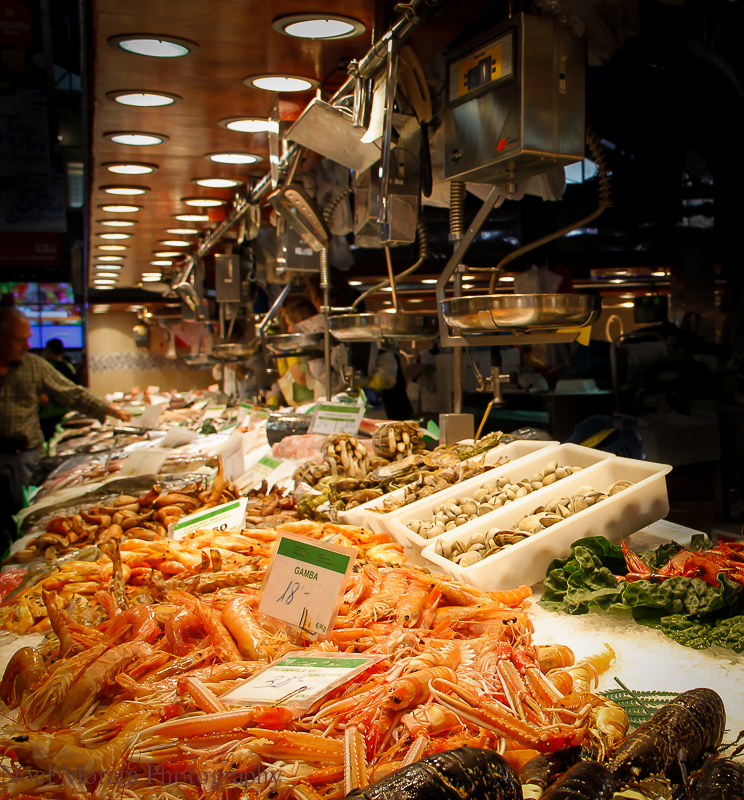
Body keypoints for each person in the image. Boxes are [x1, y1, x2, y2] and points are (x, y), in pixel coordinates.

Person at [0, 308, 131, 553]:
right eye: (20, 339)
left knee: (25, 518)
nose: (27, 345)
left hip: (23, 457)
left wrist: (111, 410)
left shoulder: (34, 366)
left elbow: (71, 393)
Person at [39, 338, 79, 441]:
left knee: (50, 443)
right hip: (66, 412)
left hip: (47, 415)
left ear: (48, 350)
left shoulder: (44, 367)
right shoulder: (69, 367)